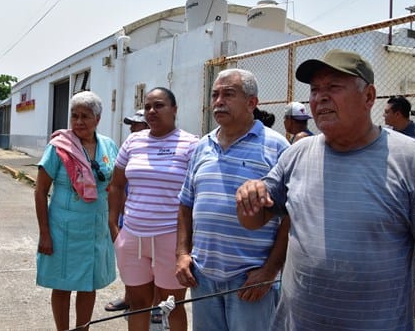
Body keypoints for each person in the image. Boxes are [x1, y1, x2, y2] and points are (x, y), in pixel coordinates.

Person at [236, 49, 415, 330]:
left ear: (369, 97)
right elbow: (253, 220)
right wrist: (248, 195)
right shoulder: (296, 154)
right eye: (315, 89)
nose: (320, 97)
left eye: (333, 87)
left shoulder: (412, 160)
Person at [175, 68, 290, 331]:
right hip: (203, 277)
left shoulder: (277, 147)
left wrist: (270, 272)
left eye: (228, 94)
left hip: (251, 280)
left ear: (252, 102)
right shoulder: (202, 146)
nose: (218, 101)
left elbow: (291, 217)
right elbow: (186, 203)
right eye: (215, 95)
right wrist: (182, 254)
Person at [108, 87, 198, 331]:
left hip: (171, 239)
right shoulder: (133, 141)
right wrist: (114, 226)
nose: (151, 111)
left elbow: (196, 196)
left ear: (174, 110)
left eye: (159, 105)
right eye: (147, 107)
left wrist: (187, 244)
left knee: (172, 305)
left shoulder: (190, 145)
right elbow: (116, 186)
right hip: (133, 237)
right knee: (138, 303)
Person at [35, 91, 117, 331]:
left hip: (95, 228)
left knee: (88, 284)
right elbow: (40, 191)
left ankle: (83, 329)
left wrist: (113, 225)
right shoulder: (58, 147)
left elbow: (114, 187)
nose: (79, 122)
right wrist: (45, 233)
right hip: (63, 229)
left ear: (97, 119)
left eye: (85, 116)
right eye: (74, 116)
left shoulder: (108, 146)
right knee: (62, 285)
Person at [104, 109, 147, 314]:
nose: (131, 128)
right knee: (129, 263)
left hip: (149, 220)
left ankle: (151, 305)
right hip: (126, 216)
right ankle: (129, 298)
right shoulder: (130, 149)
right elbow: (117, 184)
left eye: (136, 124)